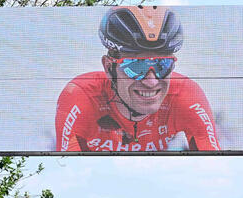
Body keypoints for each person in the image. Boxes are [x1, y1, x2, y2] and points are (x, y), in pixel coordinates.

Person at [55, 5, 220, 153]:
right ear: (108, 67)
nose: (151, 82)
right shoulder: (80, 96)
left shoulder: (187, 94)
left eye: (162, 65)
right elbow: (65, 167)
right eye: (135, 66)